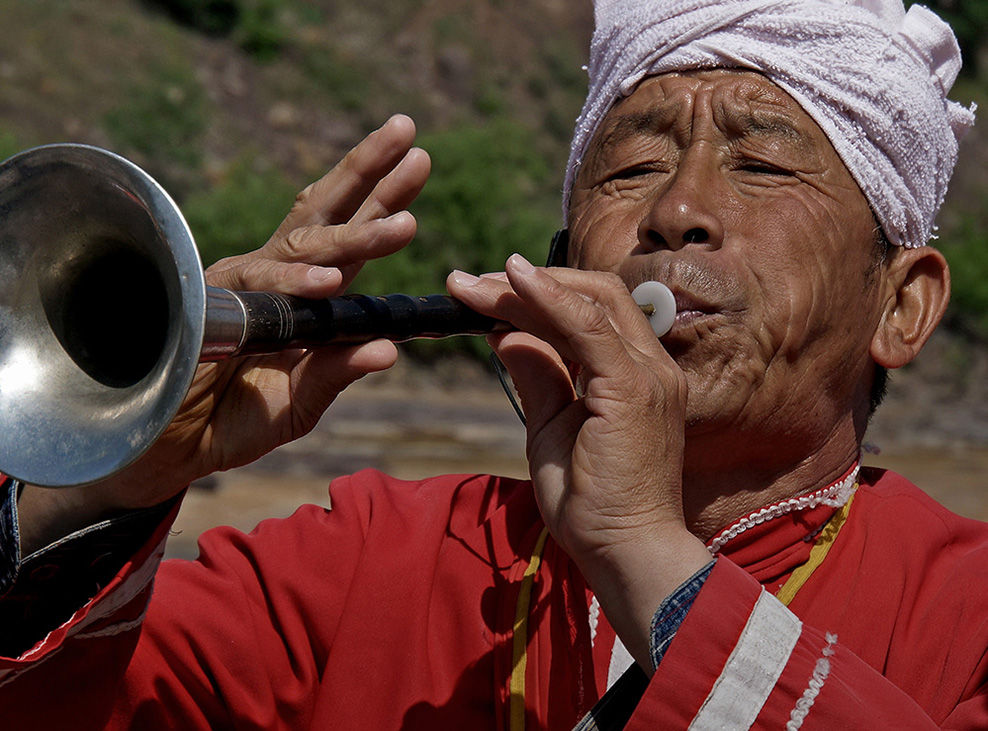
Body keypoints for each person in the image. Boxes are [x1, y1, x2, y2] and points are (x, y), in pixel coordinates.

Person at [0, 0, 982, 728]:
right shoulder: (370, 557)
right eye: (632, 166)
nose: (676, 209)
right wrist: (108, 485)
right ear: (563, 267)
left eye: (761, 164)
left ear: (902, 303)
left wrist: (642, 547)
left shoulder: (966, 608)